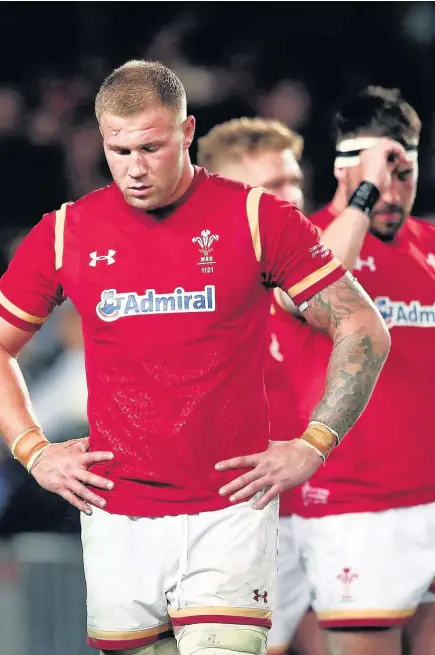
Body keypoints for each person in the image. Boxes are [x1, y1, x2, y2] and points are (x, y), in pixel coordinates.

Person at [0, 62, 390, 655]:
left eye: (152, 147)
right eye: (118, 149)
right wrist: (34, 451)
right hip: (116, 515)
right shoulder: (64, 234)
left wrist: (314, 442)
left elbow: (362, 325)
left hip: (229, 511)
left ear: (186, 133)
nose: (134, 168)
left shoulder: (257, 217)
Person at [277, 87, 435, 655]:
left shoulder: (430, 247)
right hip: (356, 511)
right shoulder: (303, 243)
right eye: (375, 174)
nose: (391, 192)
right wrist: (362, 197)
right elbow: (306, 291)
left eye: (403, 173)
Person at [197, 117, 324, 655]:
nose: (291, 198)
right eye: (274, 188)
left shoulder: (317, 277)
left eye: (295, 183)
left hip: (323, 516)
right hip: (239, 528)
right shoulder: (196, 290)